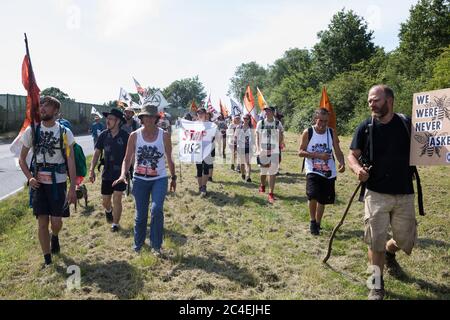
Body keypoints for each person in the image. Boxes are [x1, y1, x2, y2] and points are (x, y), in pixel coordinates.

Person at [348, 85, 419, 300]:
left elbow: (430, 144)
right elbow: (352, 154)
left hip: (404, 192)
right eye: (369, 100)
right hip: (376, 193)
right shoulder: (366, 127)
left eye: (376, 100)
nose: (371, 104)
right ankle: (376, 285)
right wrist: (357, 169)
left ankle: (390, 252)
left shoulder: (407, 124)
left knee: (405, 240)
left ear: (390, 101)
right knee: (374, 241)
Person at [18, 96, 77, 267]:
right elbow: (22, 159)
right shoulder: (32, 131)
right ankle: (48, 259)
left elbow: (70, 160)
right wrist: (30, 178)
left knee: (56, 222)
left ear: (56, 111)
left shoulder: (65, 133)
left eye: (47, 105)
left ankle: (55, 236)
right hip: (39, 184)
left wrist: (73, 187)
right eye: (41, 104)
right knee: (42, 222)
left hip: (58, 183)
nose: (42, 108)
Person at [113, 103, 176, 256]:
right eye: (145, 116)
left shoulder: (164, 136)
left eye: (151, 116)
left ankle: (156, 245)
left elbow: (169, 158)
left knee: (156, 210)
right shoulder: (134, 135)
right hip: (140, 180)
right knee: (141, 215)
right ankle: (138, 245)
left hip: (159, 179)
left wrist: (173, 177)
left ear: (156, 118)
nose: (148, 119)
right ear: (141, 118)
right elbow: (127, 159)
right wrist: (123, 174)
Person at [298, 108, 345, 235]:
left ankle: (318, 223)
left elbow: (338, 150)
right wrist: (318, 156)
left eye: (325, 121)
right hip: (312, 169)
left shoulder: (331, 132)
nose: (323, 124)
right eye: (320, 121)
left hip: (328, 170)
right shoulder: (308, 132)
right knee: (312, 195)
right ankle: (312, 221)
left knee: (322, 199)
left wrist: (342, 162)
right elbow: (300, 152)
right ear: (315, 119)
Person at [89, 108, 129, 232]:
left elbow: (131, 155)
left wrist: (130, 171)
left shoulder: (126, 136)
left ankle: (115, 224)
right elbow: (96, 153)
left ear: (118, 121)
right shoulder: (103, 135)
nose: (108, 121)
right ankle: (108, 210)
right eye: (107, 118)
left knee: (117, 198)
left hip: (120, 173)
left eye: (111, 119)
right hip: (107, 173)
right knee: (106, 201)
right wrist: (91, 170)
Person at [256, 106, 284, 204]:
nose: (267, 113)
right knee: (263, 171)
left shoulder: (277, 123)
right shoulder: (261, 123)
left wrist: (279, 146)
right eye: (266, 111)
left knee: (272, 171)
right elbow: (257, 136)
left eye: (268, 111)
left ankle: (271, 193)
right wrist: (258, 149)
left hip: (274, 150)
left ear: (273, 112)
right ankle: (262, 185)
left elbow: (281, 135)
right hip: (263, 149)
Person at [195, 108, 215, 196]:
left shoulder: (210, 124)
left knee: (206, 168)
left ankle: (204, 186)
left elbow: (213, 136)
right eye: (198, 113)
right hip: (197, 149)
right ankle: (200, 187)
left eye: (202, 113)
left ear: (205, 114)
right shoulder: (194, 124)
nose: (200, 114)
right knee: (199, 169)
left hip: (207, 149)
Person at [235, 114, 254, 182]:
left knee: (248, 162)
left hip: (248, 147)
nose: (245, 120)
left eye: (247, 119)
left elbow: (253, 137)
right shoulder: (239, 127)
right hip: (240, 147)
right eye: (244, 118)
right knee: (242, 163)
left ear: (249, 120)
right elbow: (235, 136)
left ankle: (248, 176)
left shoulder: (251, 128)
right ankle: (243, 173)